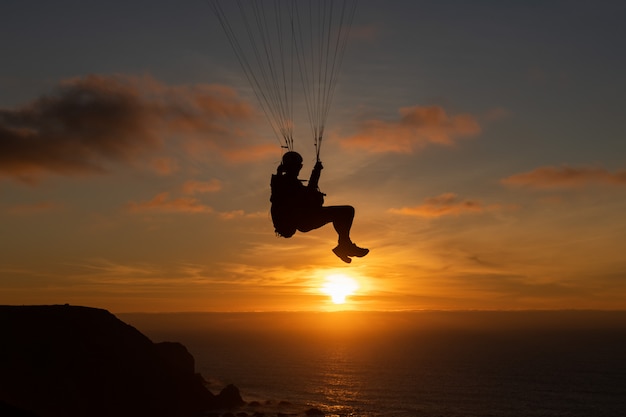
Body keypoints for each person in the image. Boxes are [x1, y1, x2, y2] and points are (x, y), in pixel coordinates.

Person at [270, 151, 369, 263]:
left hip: (307, 217)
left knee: (345, 212)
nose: (299, 169)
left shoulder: (283, 182)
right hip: (305, 220)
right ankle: (344, 245)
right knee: (346, 211)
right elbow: (308, 192)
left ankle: (344, 245)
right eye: (298, 166)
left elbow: (306, 192)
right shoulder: (285, 184)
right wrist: (316, 172)